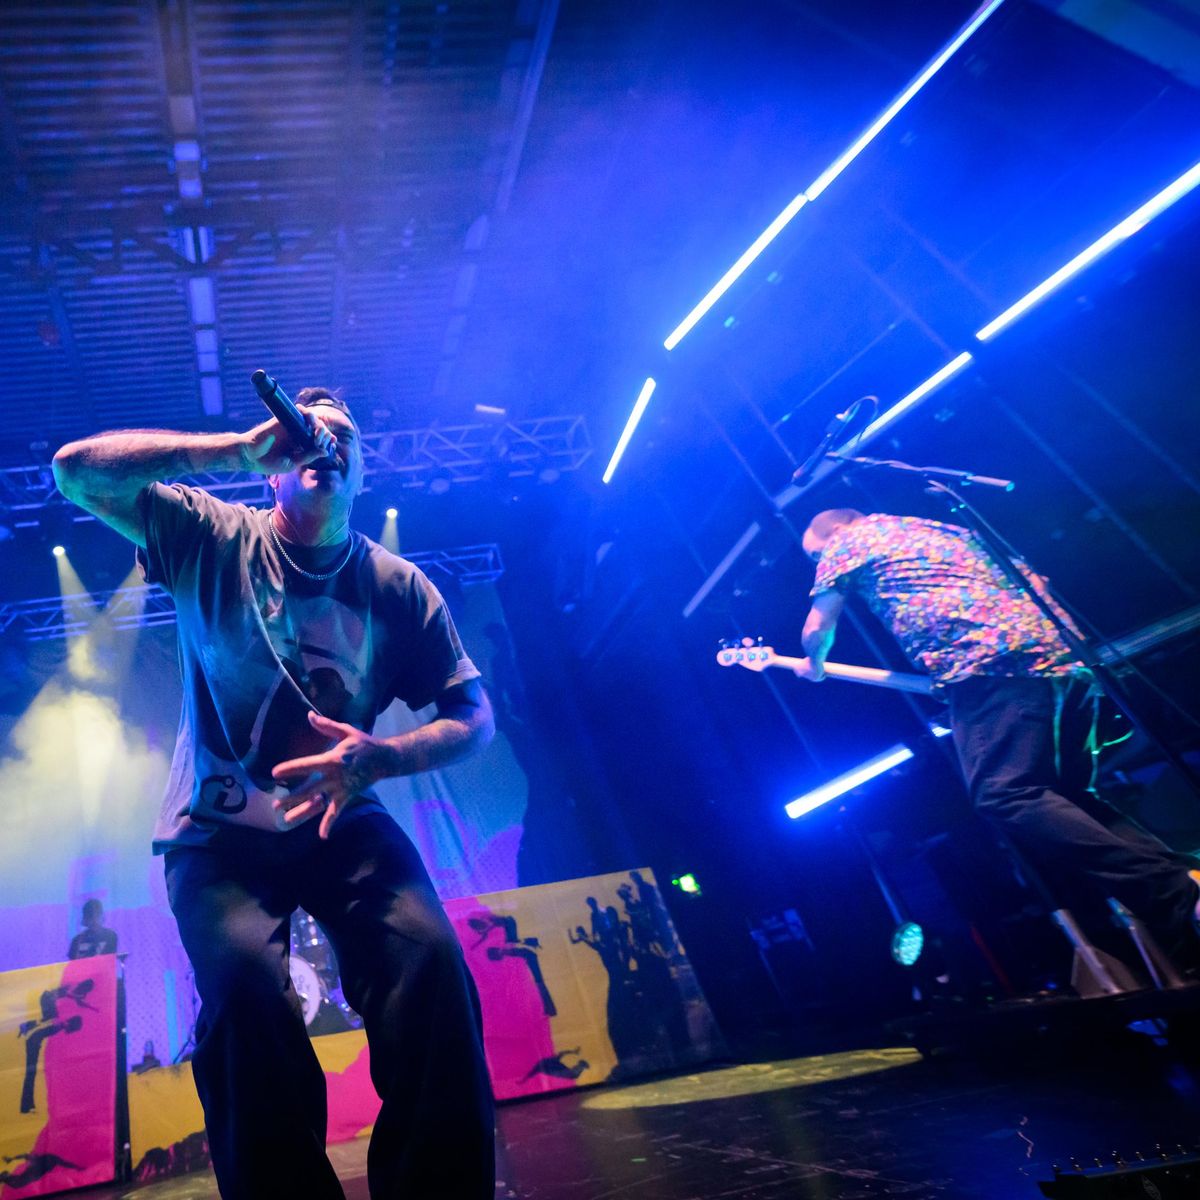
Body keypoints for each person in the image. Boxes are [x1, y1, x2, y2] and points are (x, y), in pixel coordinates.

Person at [52, 389, 496, 1200]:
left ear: (361, 472)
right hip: (216, 829)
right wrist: (231, 448)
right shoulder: (210, 534)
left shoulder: (397, 586)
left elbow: (475, 717)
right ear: (275, 471)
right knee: (245, 1002)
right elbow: (76, 473)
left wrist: (382, 758)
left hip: (342, 811)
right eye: (305, 434)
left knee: (431, 965)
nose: (324, 442)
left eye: (342, 435)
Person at [793, 508, 1200, 966]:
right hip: (1066, 662)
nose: (819, 562)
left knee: (1004, 793)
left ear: (834, 529)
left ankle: (1178, 895)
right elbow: (1038, 582)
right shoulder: (942, 528)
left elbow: (818, 627)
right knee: (1068, 797)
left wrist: (815, 664)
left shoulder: (848, 540)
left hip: (990, 663)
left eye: (815, 555)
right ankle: (1187, 900)